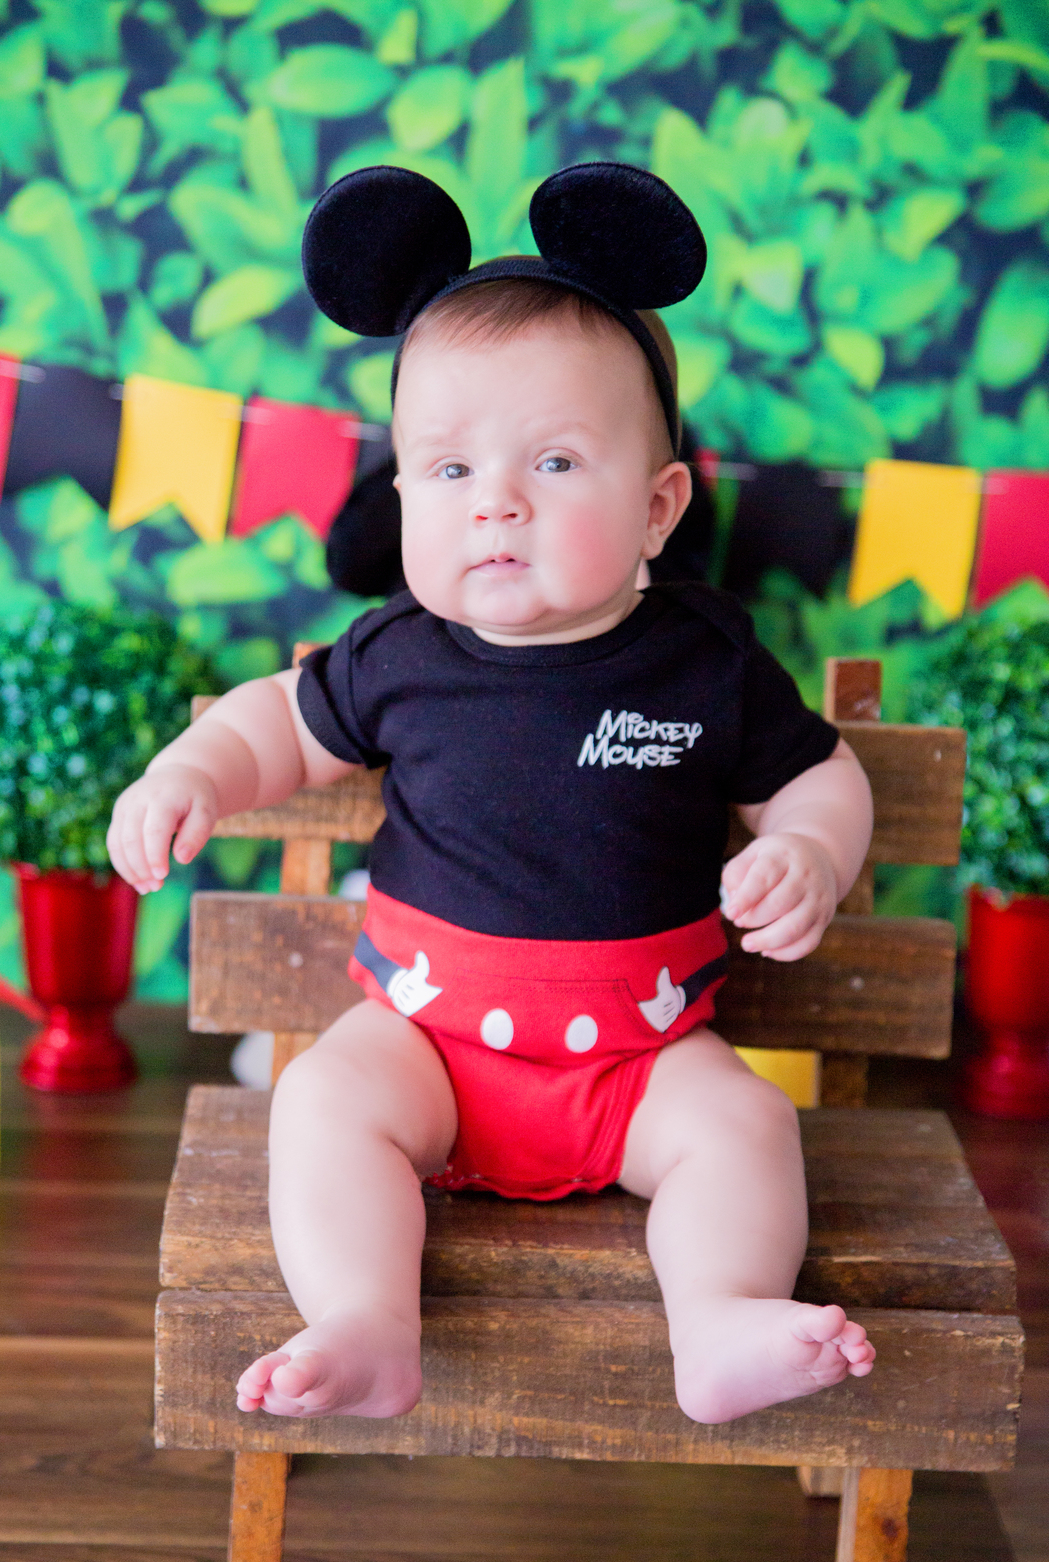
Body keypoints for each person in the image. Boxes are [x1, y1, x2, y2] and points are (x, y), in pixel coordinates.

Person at [108, 163, 876, 1429]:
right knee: (318, 1102)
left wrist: (810, 848)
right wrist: (193, 771)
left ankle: (721, 1318)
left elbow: (819, 775)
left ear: (658, 506)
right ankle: (365, 1321)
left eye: (558, 460)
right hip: (430, 1048)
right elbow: (277, 725)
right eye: (449, 470)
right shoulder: (399, 653)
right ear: (403, 494)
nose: (498, 502)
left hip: (643, 1063)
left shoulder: (705, 658)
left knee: (746, 1129)